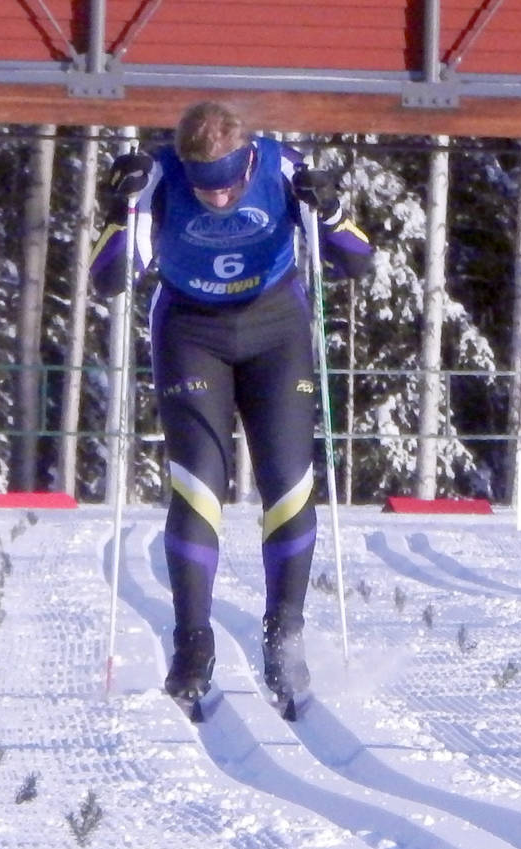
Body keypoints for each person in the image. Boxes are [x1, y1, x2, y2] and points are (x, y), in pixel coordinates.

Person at [91, 102, 373, 721]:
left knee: (290, 484)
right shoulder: (161, 178)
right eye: (204, 188)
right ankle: (192, 645)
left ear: (249, 157)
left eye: (228, 186)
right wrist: (120, 213)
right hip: (192, 332)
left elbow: (355, 262)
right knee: (198, 487)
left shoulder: (281, 167)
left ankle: (285, 640)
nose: (217, 200)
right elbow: (109, 279)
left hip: (276, 330)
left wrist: (329, 208)